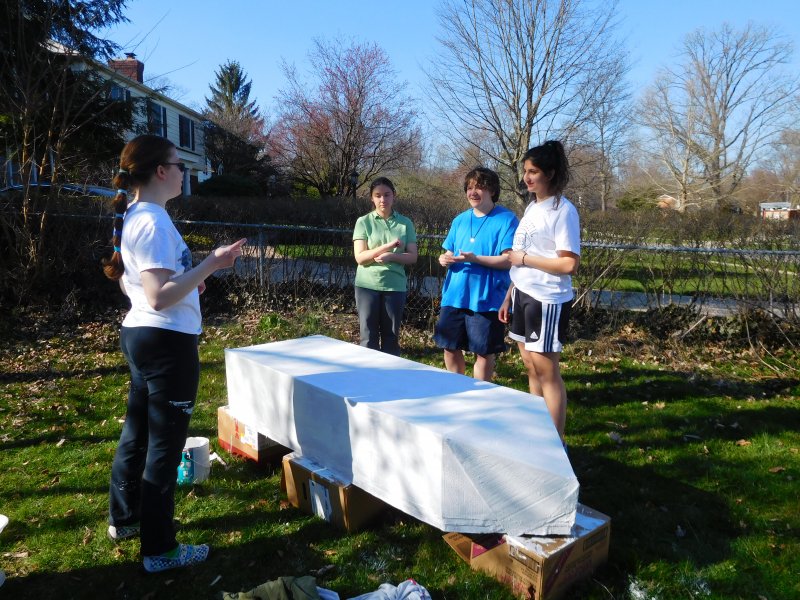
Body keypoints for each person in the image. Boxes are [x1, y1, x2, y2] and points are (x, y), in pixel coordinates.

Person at [101, 134, 246, 573]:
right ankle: (160, 550)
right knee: (164, 447)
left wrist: (192, 279)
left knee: (139, 431)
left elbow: (162, 283)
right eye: (178, 164)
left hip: (146, 336)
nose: (185, 172)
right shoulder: (151, 221)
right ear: (160, 172)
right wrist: (212, 264)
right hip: (165, 343)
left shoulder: (144, 216)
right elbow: (159, 296)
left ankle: (125, 519)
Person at [499, 141, 580, 444]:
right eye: (525, 172)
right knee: (531, 368)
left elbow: (569, 263)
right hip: (523, 296)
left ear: (551, 174)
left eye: (533, 172)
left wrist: (525, 260)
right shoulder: (533, 207)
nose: (527, 178)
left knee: (547, 372)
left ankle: (554, 444)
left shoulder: (563, 211)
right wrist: (510, 293)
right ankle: (538, 434)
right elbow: (522, 255)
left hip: (547, 300)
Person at [433, 167, 519, 381]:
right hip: (455, 295)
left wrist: (475, 259)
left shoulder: (507, 220)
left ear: (492, 191)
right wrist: (444, 259)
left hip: (487, 299)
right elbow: (449, 252)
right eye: (469, 188)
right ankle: (456, 390)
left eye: (479, 187)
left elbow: (509, 260)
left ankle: (480, 397)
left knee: (483, 352)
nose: (473, 192)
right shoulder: (460, 220)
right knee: (449, 347)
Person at [353, 177, 418, 355]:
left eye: (387, 195)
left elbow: (412, 257)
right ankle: (368, 377)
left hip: (394, 286)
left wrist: (392, 257)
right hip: (367, 286)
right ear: (371, 198)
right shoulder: (363, 222)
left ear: (394, 196)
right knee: (368, 337)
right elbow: (360, 257)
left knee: (391, 338)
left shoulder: (405, 223)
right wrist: (386, 248)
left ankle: (390, 378)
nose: (383, 200)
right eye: (378, 195)